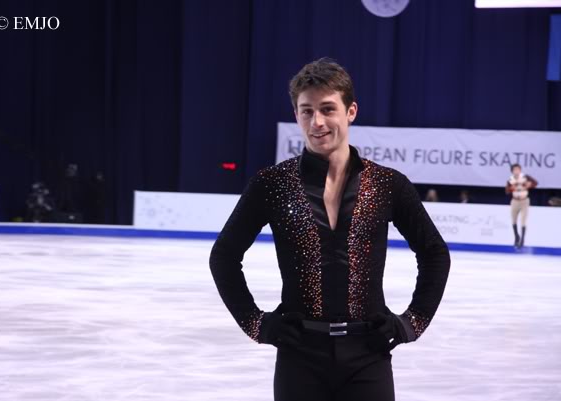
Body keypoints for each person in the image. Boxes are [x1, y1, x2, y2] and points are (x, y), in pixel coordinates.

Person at [209, 58, 451, 401]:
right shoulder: (272, 184)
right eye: (306, 111)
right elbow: (224, 256)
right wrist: (256, 324)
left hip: (368, 355)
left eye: (327, 109)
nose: (317, 122)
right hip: (299, 357)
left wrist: (412, 322)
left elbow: (434, 253)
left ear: (350, 111)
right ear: (296, 115)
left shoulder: (387, 184)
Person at [505, 164, 538, 249]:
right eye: (514, 170)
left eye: (518, 169)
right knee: (513, 220)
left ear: (520, 170)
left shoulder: (525, 177)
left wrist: (529, 185)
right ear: (512, 171)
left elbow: (535, 183)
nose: (516, 171)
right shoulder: (510, 180)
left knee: (523, 220)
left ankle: (522, 240)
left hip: (524, 201)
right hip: (515, 201)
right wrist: (512, 188)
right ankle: (516, 236)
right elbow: (507, 191)